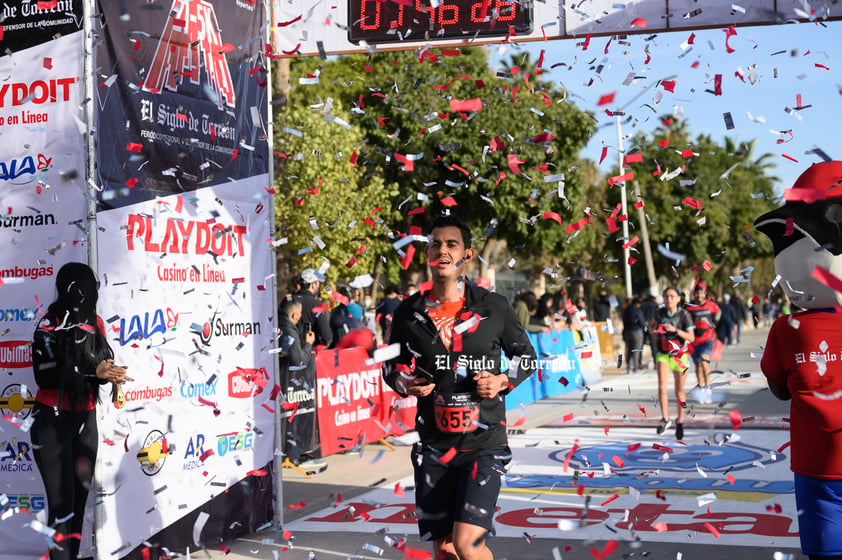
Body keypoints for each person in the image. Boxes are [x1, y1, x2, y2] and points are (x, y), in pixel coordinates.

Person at [383, 214, 536, 560]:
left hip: (484, 445)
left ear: (467, 254)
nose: (442, 250)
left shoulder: (494, 307)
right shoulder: (408, 313)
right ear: (426, 254)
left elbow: (527, 356)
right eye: (435, 243)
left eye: (452, 244)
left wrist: (502, 380)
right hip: (434, 447)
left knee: (468, 544)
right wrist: (405, 382)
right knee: (446, 548)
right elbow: (389, 365)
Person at [31, 262, 130, 560]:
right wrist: (92, 372)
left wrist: (109, 372)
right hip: (51, 424)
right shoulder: (48, 325)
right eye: (84, 289)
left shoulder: (96, 323)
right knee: (62, 511)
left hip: (85, 422)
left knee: (76, 510)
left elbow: (97, 361)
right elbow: (44, 376)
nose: (89, 295)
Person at [277, 295, 318, 465]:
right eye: (300, 313)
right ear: (294, 315)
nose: (301, 316)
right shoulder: (288, 327)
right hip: (283, 384)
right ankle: (289, 454)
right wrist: (308, 345)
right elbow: (298, 360)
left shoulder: (275, 319)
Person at [650, 287, 695, 440]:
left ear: (678, 298)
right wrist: (653, 330)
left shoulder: (684, 314)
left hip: (680, 356)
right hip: (663, 354)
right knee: (662, 387)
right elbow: (653, 327)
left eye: (671, 296)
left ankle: (680, 421)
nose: (668, 299)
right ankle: (665, 418)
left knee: (679, 392)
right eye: (666, 296)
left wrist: (675, 330)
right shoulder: (659, 313)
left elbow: (691, 337)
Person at [685, 283, 721, 404]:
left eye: (701, 293)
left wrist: (715, 325)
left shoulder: (712, 305)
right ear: (694, 294)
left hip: (708, 339)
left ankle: (707, 387)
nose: (699, 295)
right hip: (693, 341)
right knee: (698, 365)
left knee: (704, 360)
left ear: (705, 293)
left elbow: (719, 313)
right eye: (697, 293)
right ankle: (700, 386)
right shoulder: (689, 308)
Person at [293, 268, 332, 348]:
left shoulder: (288, 302)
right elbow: (327, 337)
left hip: (287, 354)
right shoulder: (318, 305)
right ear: (313, 285)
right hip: (309, 353)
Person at [621, 297, 646, 373]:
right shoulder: (638, 310)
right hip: (637, 331)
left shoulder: (626, 310)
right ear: (638, 304)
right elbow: (641, 321)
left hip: (627, 331)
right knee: (636, 349)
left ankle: (628, 367)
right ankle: (636, 367)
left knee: (629, 349)